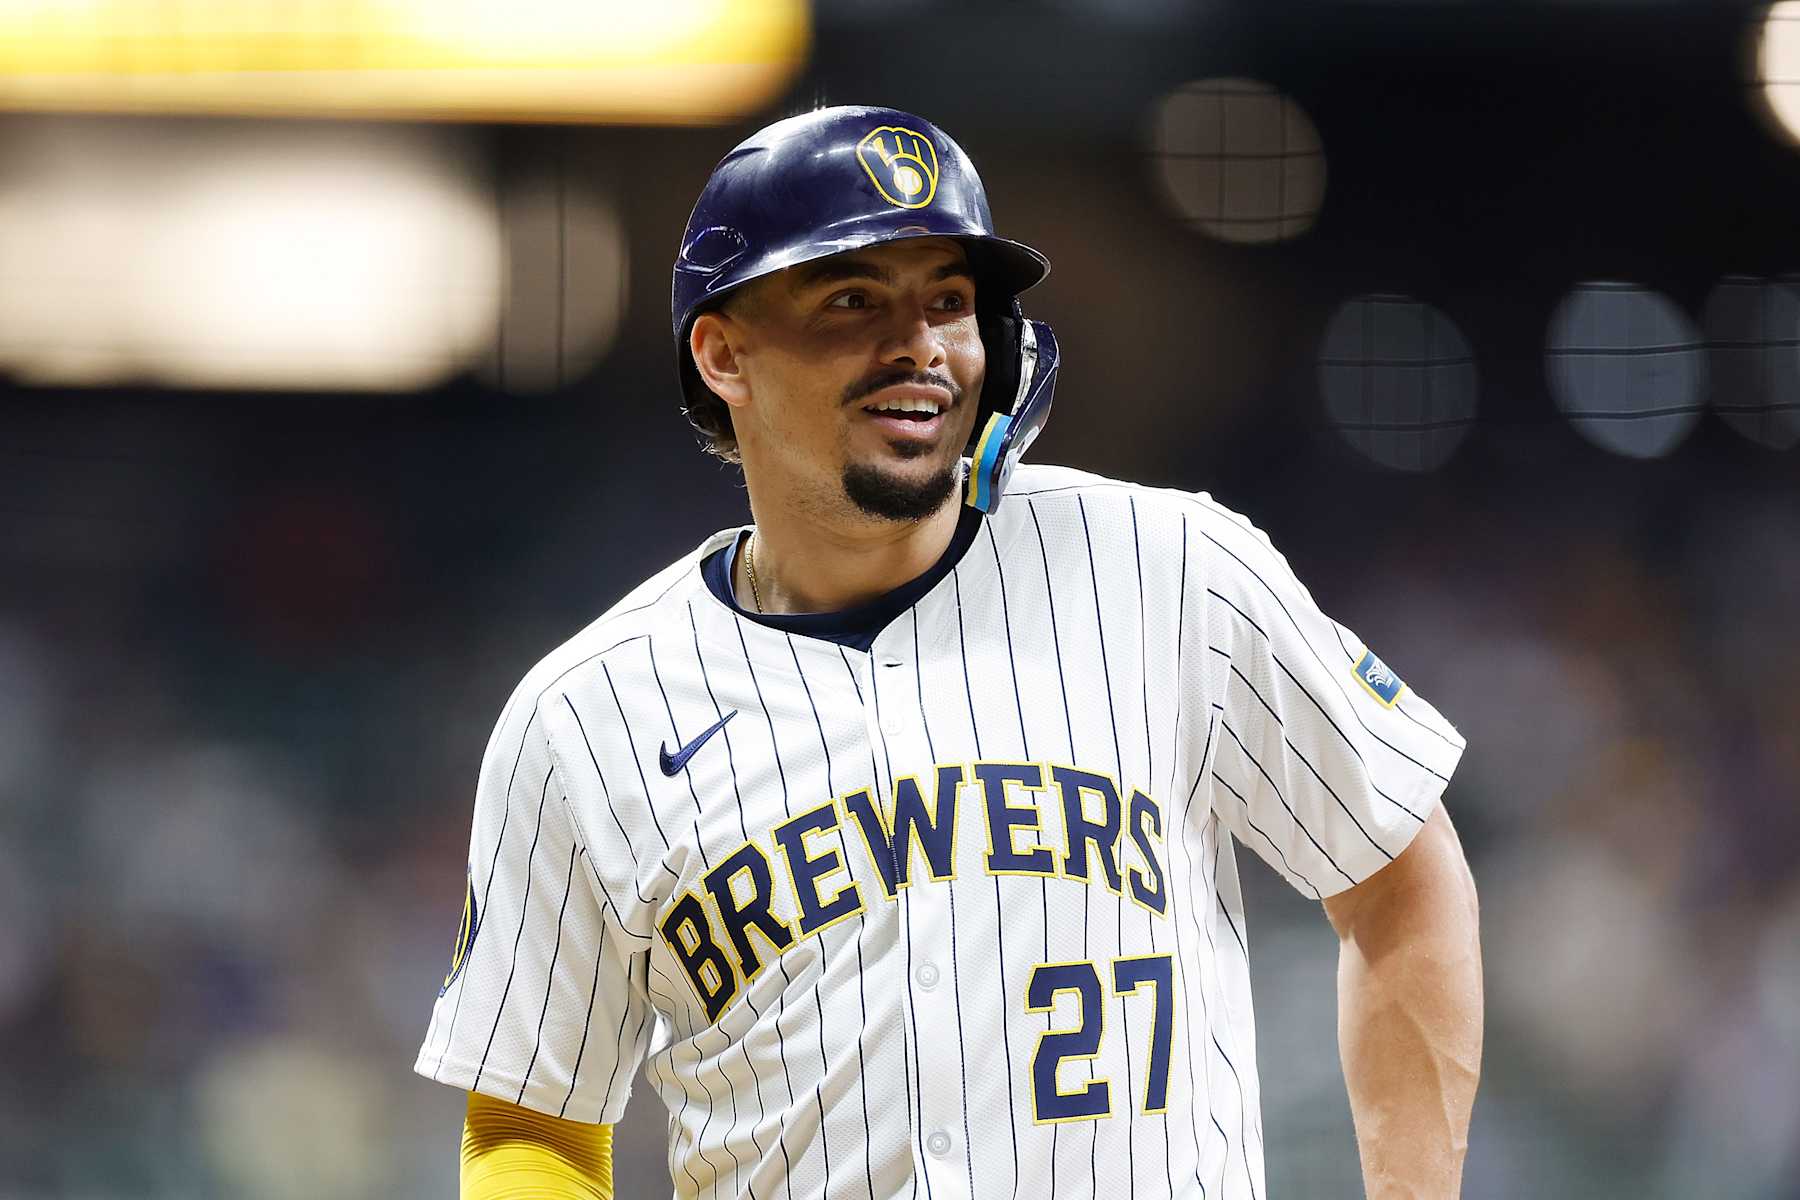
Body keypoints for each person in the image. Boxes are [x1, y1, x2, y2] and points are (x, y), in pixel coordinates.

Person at [417, 105, 1482, 1200]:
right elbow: (532, 1119)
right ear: (724, 353)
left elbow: (1400, 871)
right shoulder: (586, 717)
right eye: (852, 300)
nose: (918, 345)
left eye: (949, 302)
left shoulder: (1169, 569)